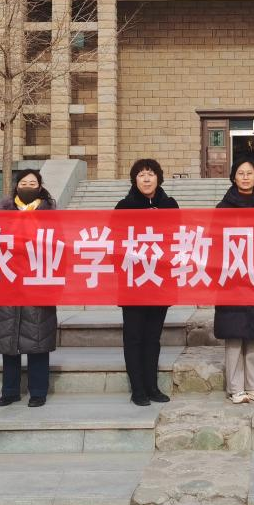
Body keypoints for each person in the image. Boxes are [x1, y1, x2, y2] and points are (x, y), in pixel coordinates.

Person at [0, 168, 58, 408]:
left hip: (38, 282)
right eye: (24, 182)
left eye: (32, 183)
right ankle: (10, 391)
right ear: (16, 186)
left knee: (37, 339)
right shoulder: (2, 212)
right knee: (9, 340)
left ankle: (38, 391)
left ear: (40, 186)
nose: (28, 186)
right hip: (7, 281)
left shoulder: (50, 214)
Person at [115, 158, 179, 406]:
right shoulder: (124, 207)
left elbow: (178, 239)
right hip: (133, 282)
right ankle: (138, 389)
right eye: (141, 174)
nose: (146, 178)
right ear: (134, 180)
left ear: (158, 178)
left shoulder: (170, 205)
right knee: (134, 337)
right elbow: (115, 241)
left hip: (159, 281)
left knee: (153, 337)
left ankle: (152, 386)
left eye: (150, 174)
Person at [213, 157, 254, 404]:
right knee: (234, 335)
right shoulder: (223, 207)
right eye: (241, 173)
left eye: (250, 173)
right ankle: (235, 388)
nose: (245, 177)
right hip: (232, 278)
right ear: (233, 177)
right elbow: (215, 241)